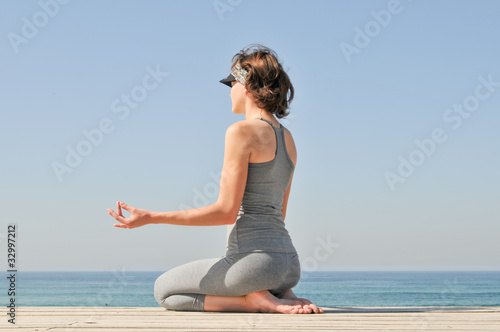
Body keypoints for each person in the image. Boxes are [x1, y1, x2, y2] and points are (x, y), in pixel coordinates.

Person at [107, 44, 323, 314]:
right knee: (185, 288)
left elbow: (225, 212)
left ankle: (252, 300)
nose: (229, 91)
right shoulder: (288, 138)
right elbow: (280, 213)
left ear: (246, 86)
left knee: (164, 290)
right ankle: (276, 293)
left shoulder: (241, 132)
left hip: (254, 265)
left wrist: (151, 217)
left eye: (231, 83)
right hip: (289, 265)